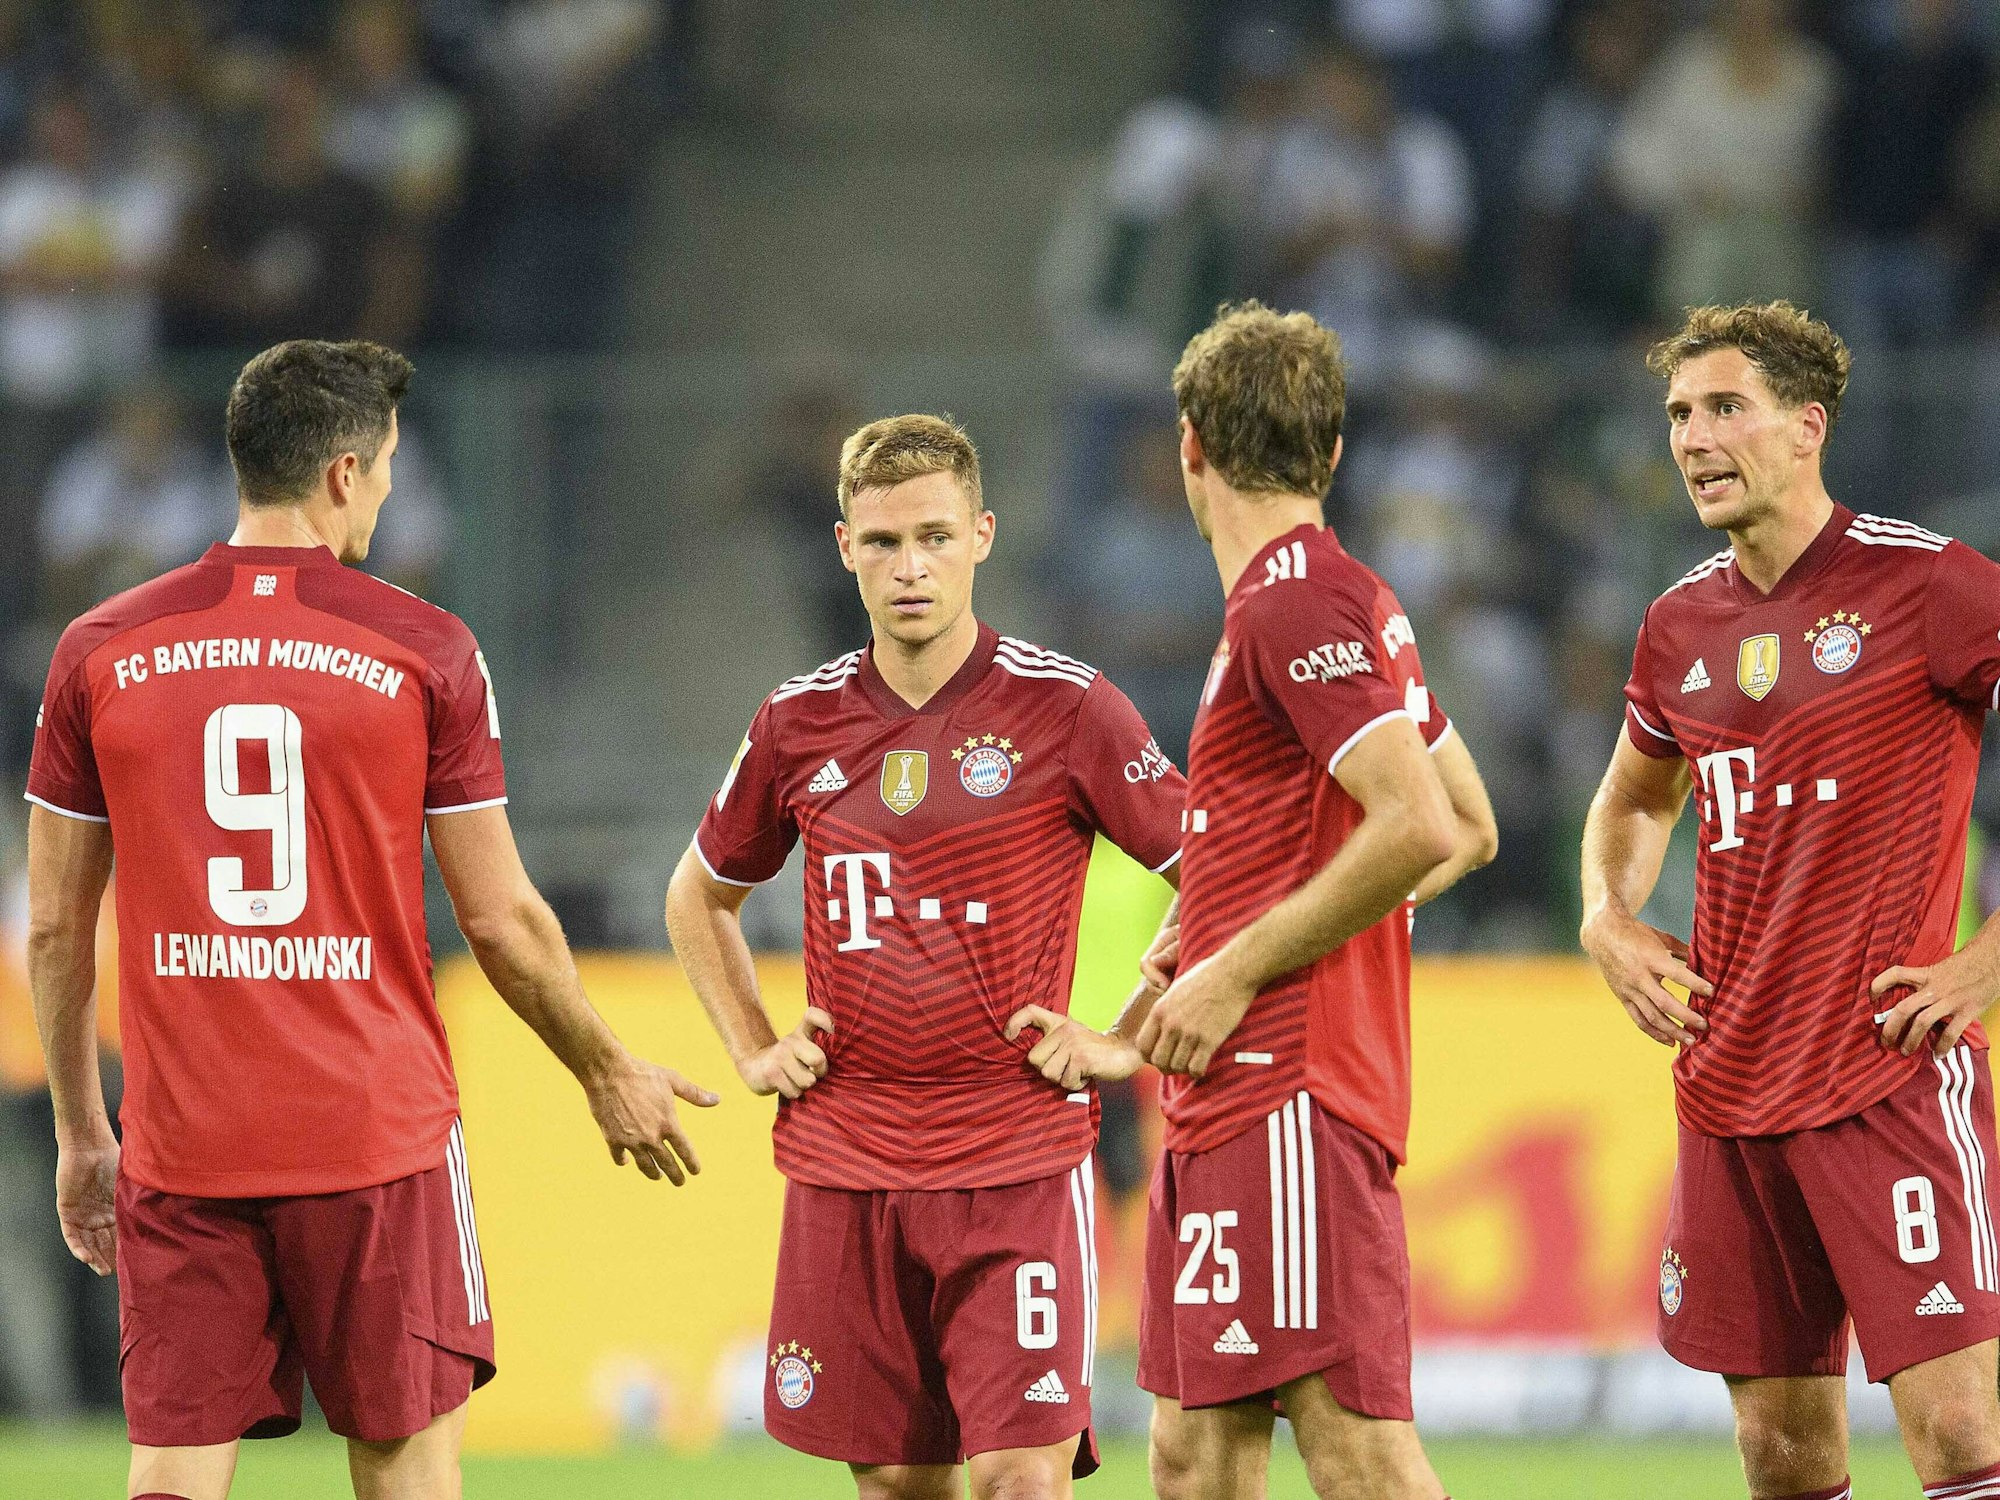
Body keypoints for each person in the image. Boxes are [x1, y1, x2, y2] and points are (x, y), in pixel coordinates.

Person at [25, 339, 716, 1500]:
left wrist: (84, 1133)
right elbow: (499, 921)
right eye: (386, 468)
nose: (387, 496)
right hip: (376, 1140)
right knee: (403, 1468)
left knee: (169, 1479)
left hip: (184, 1141)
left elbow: (52, 928)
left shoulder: (100, 649)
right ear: (343, 473)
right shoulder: (423, 648)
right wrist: (602, 1066)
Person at [665, 413, 1187, 1500]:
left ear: (983, 537)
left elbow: (1216, 873)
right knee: (902, 1487)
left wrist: (1124, 1039)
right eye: (884, 542)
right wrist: (752, 1045)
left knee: (1020, 1480)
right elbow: (698, 894)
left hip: (1016, 1164)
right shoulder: (795, 723)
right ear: (843, 546)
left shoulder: (1066, 707)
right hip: (848, 1169)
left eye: (936, 538)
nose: (911, 568)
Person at [1579, 300, 2000, 1500]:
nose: (1693, 439)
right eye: (1676, 415)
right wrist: (1605, 915)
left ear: (1805, 427)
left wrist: (1983, 964)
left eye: (1724, 408)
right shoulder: (1678, 625)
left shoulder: (1928, 585)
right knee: (1777, 1454)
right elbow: (1630, 801)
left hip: (1886, 1076)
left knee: (1960, 1435)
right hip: (1726, 1088)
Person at [1079, 301, 1494, 1500]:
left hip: (1288, 1088)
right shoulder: (1331, 599)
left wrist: (1236, 963)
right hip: (1231, 1093)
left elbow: (1419, 822)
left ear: (1188, 447)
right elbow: (1467, 822)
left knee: (1352, 1444)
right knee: (1192, 1451)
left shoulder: (1293, 603)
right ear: (1334, 453)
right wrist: (1205, 923)